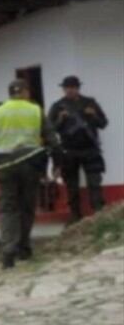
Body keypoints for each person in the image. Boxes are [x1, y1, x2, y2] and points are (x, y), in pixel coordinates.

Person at [0, 79, 60, 269]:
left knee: (8, 208)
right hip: (30, 164)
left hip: (5, 166)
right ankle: (24, 247)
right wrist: (57, 163)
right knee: (27, 206)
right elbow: (52, 137)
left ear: (10, 93)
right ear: (26, 92)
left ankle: (8, 251)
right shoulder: (35, 110)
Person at [48, 76, 108, 225]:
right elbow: (49, 129)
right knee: (71, 186)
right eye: (67, 87)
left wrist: (93, 115)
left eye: (73, 87)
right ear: (63, 89)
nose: (69, 90)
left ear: (78, 88)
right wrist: (60, 120)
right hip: (69, 151)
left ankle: (99, 214)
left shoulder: (90, 102)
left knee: (94, 183)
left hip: (90, 149)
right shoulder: (58, 106)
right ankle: (75, 216)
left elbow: (104, 123)